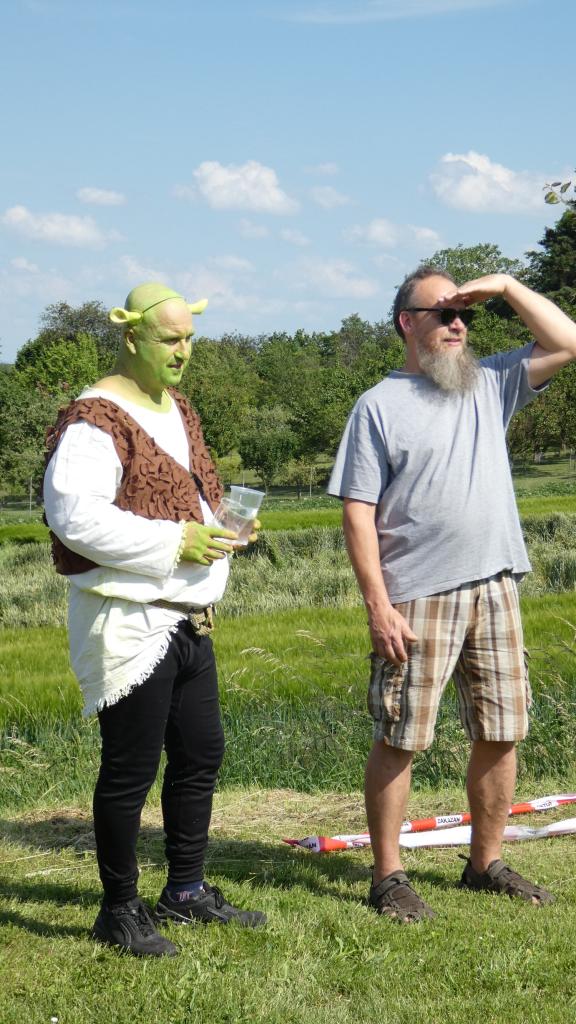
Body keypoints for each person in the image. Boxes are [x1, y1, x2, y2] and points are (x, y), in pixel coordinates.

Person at [328, 268, 576, 922]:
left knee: (502, 729)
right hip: (417, 595)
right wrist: (378, 605)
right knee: (402, 735)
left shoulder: (489, 383)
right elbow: (357, 513)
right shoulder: (377, 406)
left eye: (464, 313)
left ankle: (484, 864)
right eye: (442, 313)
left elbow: (568, 341)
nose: (457, 323)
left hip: (496, 584)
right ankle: (388, 877)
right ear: (406, 323)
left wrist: (506, 287)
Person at [43, 282, 266, 958]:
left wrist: (223, 527)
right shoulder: (94, 419)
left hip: (190, 618)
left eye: (189, 339)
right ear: (132, 337)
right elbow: (74, 517)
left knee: (200, 754)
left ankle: (186, 890)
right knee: (130, 771)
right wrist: (176, 542)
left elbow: (192, 495)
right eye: (171, 339)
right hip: (130, 622)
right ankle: (118, 910)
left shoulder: (178, 408)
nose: (183, 351)